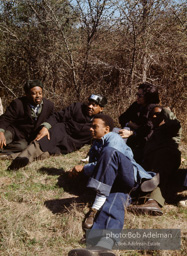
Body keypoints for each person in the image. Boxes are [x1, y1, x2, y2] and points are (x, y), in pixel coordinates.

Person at [68, 114, 156, 256]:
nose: (91, 129)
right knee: (115, 200)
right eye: (91, 126)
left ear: (107, 129)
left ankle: (96, 204)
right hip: (116, 184)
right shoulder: (96, 144)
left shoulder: (113, 137)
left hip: (127, 175)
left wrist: (84, 169)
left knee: (109, 152)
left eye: (94, 126)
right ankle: (101, 245)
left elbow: (110, 160)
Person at [8, 94, 107, 170]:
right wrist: (46, 127)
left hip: (70, 144)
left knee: (45, 154)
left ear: (101, 108)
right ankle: (17, 163)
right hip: (60, 131)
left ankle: (10, 157)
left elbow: (101, 138)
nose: (90, 106)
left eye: (94, 105)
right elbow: (57, 116)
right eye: (89, 103)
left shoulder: (101, 122)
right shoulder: (77, 107)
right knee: (40, 144)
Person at [128, 104, 183, 215]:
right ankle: (144, 198)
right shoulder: (154, 131)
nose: (154, 117)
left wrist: (166, 111)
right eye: (152, 114)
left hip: (167, 156)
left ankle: (153, 201)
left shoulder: (170, 127)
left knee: (159, 175)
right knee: (149, 175)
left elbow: (175, 124)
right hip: (152, 160)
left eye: (158, 114)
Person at [0, 80, 54, 156]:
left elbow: (52, 119)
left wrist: (46, 127)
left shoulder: (49, 105)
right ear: (27, 94)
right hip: (14, 131)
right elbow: (6, 118)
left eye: (40, 93)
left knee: (22, 147)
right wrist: (1, 131)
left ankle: (2, 152)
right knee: (2, 139)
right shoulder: (18, 103)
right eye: (34, 93)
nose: (38, 96)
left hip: (26, 138)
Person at [118, 82, 160, 163]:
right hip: (134, 137)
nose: (137, 97)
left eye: (140, 96)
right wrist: (130, 125)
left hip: (145, 143)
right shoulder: (136, 105)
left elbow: (148, 130)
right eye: (137, 94)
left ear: (148, 97)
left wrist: (132, 132)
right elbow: (122, 118)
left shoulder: (154, 109)